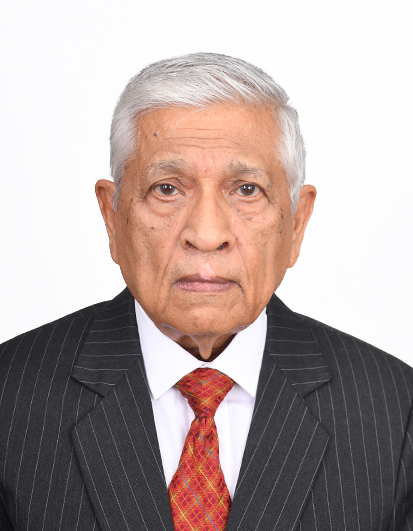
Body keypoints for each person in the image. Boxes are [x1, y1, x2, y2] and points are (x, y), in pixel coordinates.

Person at [0, 52, 412, 531]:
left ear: (297, 223)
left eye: (247, 190)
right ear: (112, 217)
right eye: (167, 189)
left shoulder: (395, 412)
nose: (207, 234)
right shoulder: (11, 399)